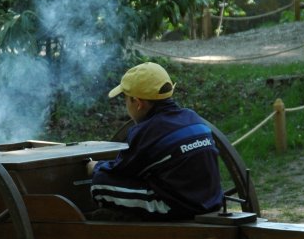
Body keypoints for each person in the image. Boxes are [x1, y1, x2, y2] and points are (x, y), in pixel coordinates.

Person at [86, 62, 223, 221]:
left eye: (126, 100)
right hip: (211, 200)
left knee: (99, 183)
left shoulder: (147, 131)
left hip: (177, 207)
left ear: (138, 103)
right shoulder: (192, 117)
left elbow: (121, 171)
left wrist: (95, 167)